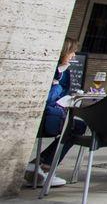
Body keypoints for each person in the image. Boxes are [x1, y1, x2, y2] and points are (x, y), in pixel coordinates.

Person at [29, 37, 82, 188]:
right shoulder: (53, 70)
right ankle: (44, 165)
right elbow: (49, 96)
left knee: (77, 126)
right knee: (74, 127)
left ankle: (40, 164)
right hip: (43, 114)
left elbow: (63, 93)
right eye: (72, 52)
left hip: (55, 111)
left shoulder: (65, 71)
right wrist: (57, 79)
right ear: (63, 52)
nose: (73, 56)